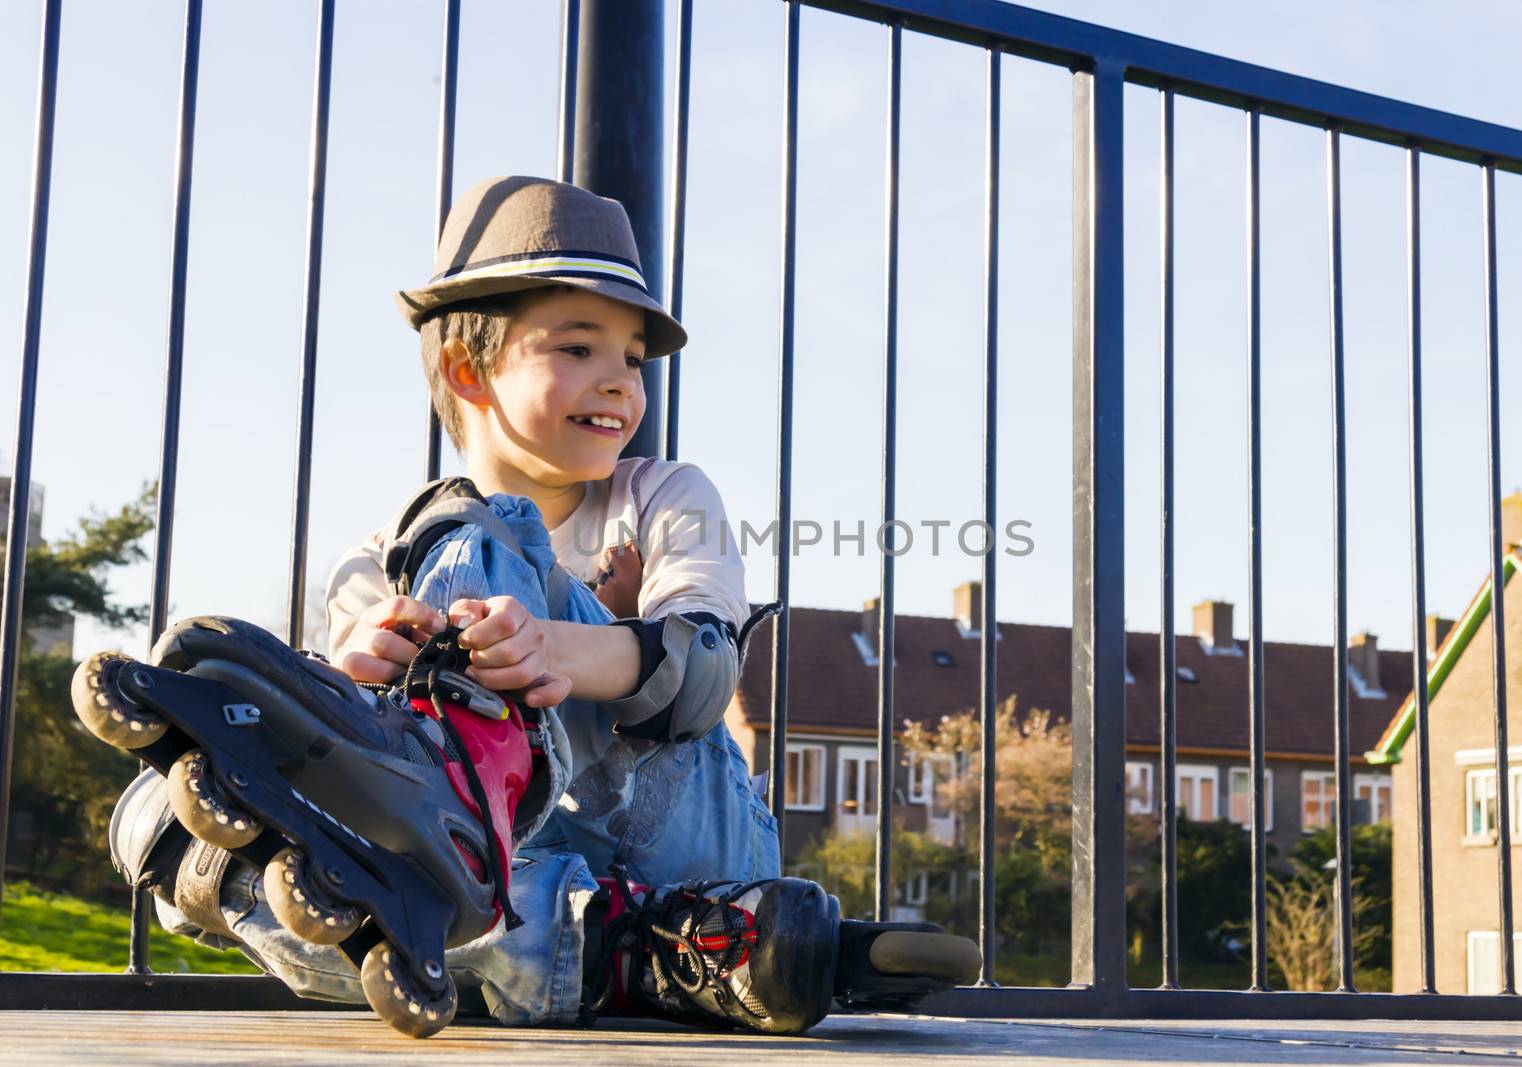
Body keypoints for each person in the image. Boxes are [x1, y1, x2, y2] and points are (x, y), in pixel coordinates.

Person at [111, 176, 976, 1034]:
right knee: (150, 819)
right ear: (466, 369)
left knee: (477, 530)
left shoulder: (667, 494)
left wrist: (550, 645)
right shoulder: (372, 565)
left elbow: (705, 675)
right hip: (530, 858)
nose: (620, 384)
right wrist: (373, 665)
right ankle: (625, 951)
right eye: (578, 349)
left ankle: (493, 860)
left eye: (631, 359)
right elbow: (345, 741)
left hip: (687, 825)